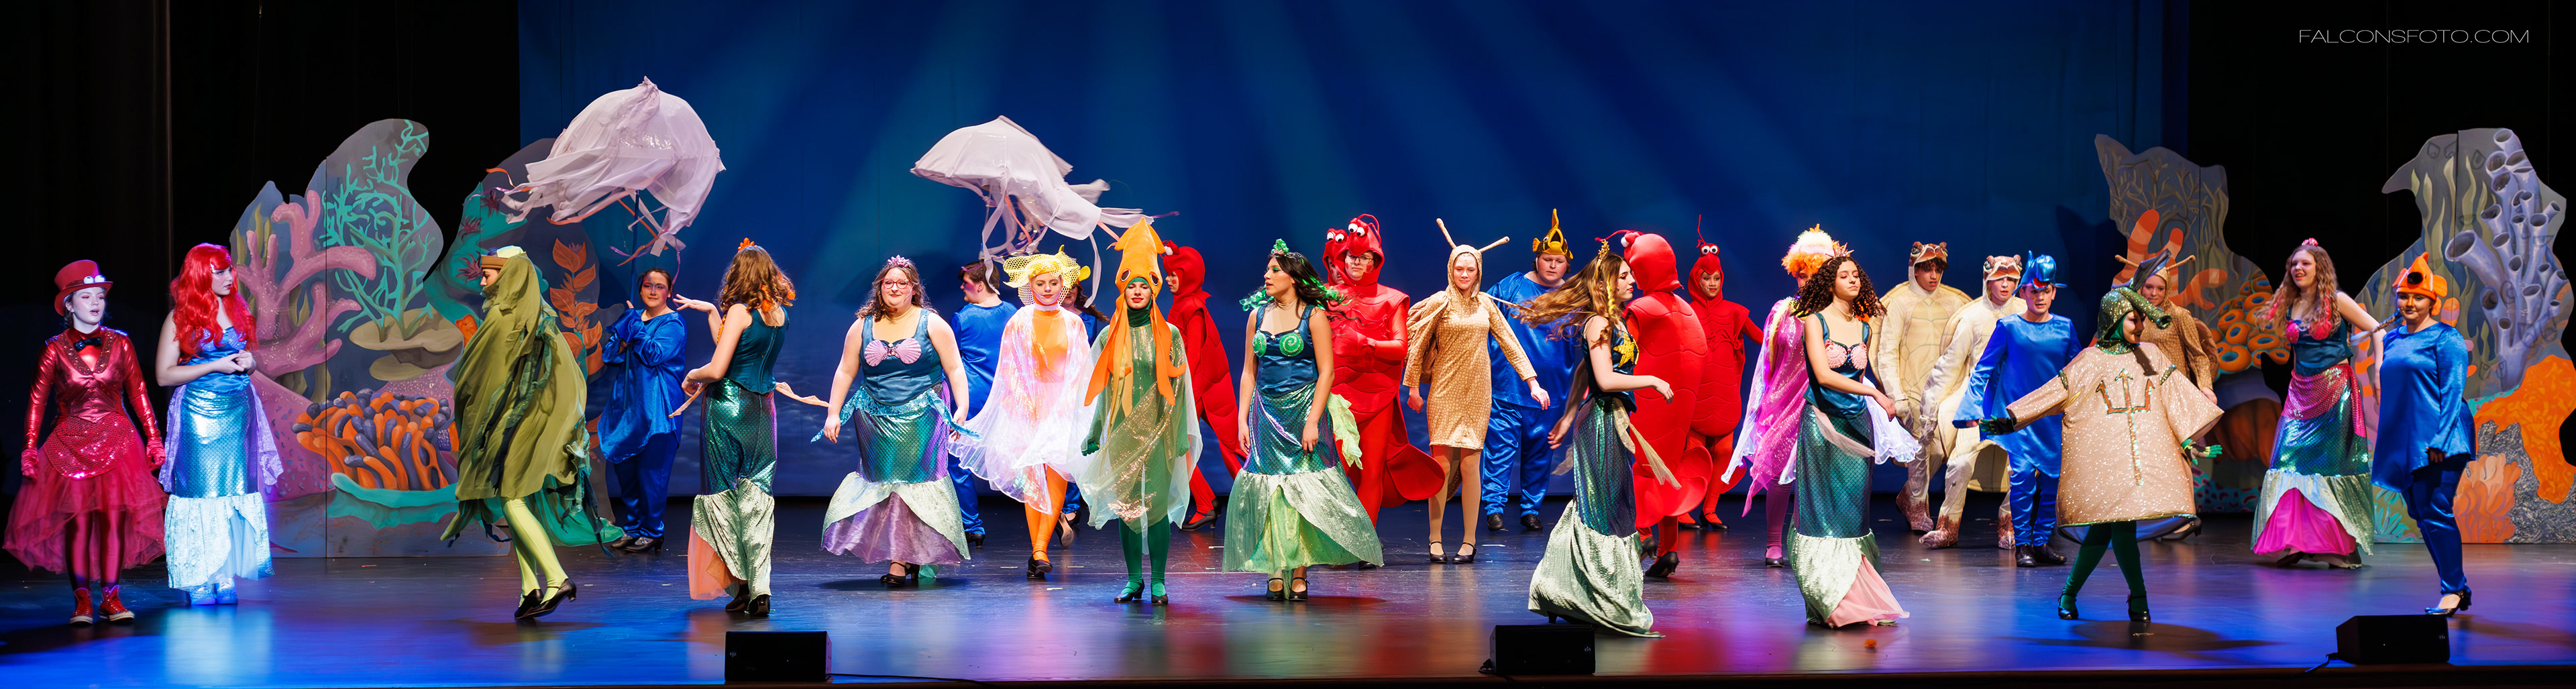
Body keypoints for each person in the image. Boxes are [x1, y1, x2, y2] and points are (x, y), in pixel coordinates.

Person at [1975, 273, 2220, 623]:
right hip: (2105, 461)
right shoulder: (2089, 361)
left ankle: (2111, 596)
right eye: (2134, 319)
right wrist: (2012, 418)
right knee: (2107, 529)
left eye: (2142, 319)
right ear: (2115, 319)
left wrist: (2190, 440)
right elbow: (2052, 393)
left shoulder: (2151, 356)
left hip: (2137, 463)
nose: (2141, 327)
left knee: (2119, 529)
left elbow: (2176, 397)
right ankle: (2107, 596)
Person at [444, 246, 617, 620]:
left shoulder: (503, 319)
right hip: (528, 427)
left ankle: (557, 578)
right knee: (516, 499)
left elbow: (478, 380)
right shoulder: (541, 318)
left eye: (488, 274)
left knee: (512, 499)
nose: (483, 282)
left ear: (508, 274)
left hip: (514, 428)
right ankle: (529, 588)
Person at [1520, 242, 1677, 637]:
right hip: (1602, 423)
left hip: (1611, 420)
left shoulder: (1615, 322)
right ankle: (1593, 595)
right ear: (1607, 283)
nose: (1631, 281)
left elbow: (1583, 374)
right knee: (1602, 511)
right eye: (1624, 276)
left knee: (1612, 508)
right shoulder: (1598, 324)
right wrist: (1652, 380)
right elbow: (1605, 380)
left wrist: (1568, 414)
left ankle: (1583, 593)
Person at [1224, 240, 1383, 601]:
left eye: (1275, 270)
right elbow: (1249, 372)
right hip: (1266, 412)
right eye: (1267, 270)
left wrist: (1313, 421)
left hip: (1303, 410)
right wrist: (1242, 418)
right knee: (1271, 491)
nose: (1267, 275)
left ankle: (1299, 570)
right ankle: (1274, 567)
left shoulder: (1314, 316)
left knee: (1302, 491)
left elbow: (1327, 372)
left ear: (1293, 278)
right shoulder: (1257, 316)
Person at [9, 260, 165, 625]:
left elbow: (139, 394)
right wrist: (29, 447)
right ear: (69, 304)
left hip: (117, 441)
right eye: (86, 296)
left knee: (113, 521)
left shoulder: (121, 342)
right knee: (78, 523)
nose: (95, 303)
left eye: (99, 296)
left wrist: (154, 439)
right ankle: (82, 600)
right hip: (69, 446)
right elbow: (37, 402)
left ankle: (111, 597)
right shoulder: (53, 349)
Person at [818, 256, 975, 588]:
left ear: (914, 289)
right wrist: (833, 412)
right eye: (888, 283)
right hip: (875, 417)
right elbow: (845, 370)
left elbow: (955, 367)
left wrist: (962, 407)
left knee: (914, 484)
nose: (894, 288)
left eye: (902, 283)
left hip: (923, 413)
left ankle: (901, 559)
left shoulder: (932, 323)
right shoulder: (862, 326)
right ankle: (904, 552)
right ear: (880, 288)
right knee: (887, 485)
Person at [1072, 220, 1202, 604]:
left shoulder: (1170, 334)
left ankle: (1158, 580)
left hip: (1159, 430)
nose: (1138, 291)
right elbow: (1106, 390)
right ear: (1123, 289)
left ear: (1154, 289)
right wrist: (1095, 430)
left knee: (1156, 506)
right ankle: (1134, 580)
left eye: (1145, 285)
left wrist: (1180, 434)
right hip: (1123, 431)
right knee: (1128, 508)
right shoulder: (1110, 335)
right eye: (1132, 286)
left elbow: (1180, 388)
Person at [1405, 222, 1546, 565]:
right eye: (1459, 268)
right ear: (1450, 269)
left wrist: (1532, 382)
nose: (1465, 274)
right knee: (1442, 467)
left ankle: (1469, 542)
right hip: (1444, 390)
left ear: (1478, 271)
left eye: (1470, 269)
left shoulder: (1486, 304)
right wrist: (1413, 388)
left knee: (1471, 468)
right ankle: (1435, 540)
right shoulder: (1440, 302)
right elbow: (1418, 345)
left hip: (1478, 392)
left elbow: (1510, 343)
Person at [1788, 254, 1913, 627]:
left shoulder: (1863, 327)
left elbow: (1859, 374)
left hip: (1857, 425)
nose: (1853, 280)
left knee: (1853, 515)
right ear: (1830, 283)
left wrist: (1875, 396)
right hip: (1822, 425)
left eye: (1856, 275)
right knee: (1823, 514)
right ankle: (1830, 600)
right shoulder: (1815, 322)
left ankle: (1857, 596)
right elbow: (1824, 375)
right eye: (1844, 275)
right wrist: (1874, 393)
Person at [953, 249, 1092, 580]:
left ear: (1062, 285)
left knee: (1056, 478)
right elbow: (1009, 368)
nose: (1048, 289)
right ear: (1030, 286)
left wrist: (1066, 407)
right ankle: (1038, 550)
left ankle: (1040, 549)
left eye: (1053, 283)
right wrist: (1025, 403)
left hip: (1061, 409)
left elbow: (1081, 370)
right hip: (1026, 409)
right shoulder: (1019, 321)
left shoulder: (1073, 323)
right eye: (1041, 283)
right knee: (1033, 482)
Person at [156, 245, 280, 606]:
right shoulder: (180, 317)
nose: (229, 277)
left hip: (238, 411)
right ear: (200, 276)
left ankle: (224, 575)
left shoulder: (238, 309)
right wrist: (213, 365)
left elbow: (246, 363)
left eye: (229, 270)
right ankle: (198, 576)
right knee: (200, 492)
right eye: (220, 272)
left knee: (232, 492)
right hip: (199, 414)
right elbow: (164, 375)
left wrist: (250, 364)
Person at [681, 242, 797, 615]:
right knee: (757, 499)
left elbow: (718, 368)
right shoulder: (778, 314)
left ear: (739, 273)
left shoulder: (740, 311)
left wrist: (692, 374)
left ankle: (742, 583)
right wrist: (712, 312)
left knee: (723, 497)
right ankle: (759, 589)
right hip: (763, 412)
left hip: (728, 408)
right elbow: (735, 345)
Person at [2253, 239, 2379, 569]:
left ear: (2319, 268)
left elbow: (2376, 330)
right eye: (2294, 264)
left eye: (2305, 263)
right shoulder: (2293, 305)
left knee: (2327, 467)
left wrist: (2378, 370)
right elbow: (2298, 353)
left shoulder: (2337, 301)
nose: (2298, 268)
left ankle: (2336, 546)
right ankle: (2297, 540)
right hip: (2300, 393)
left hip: (2334, 390)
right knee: (2288, 462)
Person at [1951, 253, 2082, 568]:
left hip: (2052, 419)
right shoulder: (2009, 327)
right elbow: (1983, 369)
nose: (2040, 297)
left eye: (2046, 290)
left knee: (2052, 480)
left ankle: (2041, 542)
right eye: (2033, 291)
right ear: (2024, 292)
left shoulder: (2065, 328)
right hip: (2016, 418)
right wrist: (1971, 408)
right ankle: (2023, 544)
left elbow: (2078, 373)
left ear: (2054, 293)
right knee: (2022, 477)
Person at [1724, 226, 1841, 568]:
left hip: (1820, 400)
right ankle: (1774, 543)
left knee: (1815, 476)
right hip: (1782, 401)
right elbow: (1767, 363)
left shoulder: (1838, 315)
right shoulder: (1783, 311)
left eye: (1814, 275)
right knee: (1778, 473)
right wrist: (1763, 404)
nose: (1806, 281)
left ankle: (1811, 541)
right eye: (1801, 275)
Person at [2371, 254, 2473, 614]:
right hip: (2408, 438)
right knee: (2421, 511)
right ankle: (2458, 587)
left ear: (2433, 302)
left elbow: (2454, 390)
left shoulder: (2446, 338)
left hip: (2441, 438)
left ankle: (2452, 590)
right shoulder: (2393, 339)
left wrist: (2441, 440)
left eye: (2418, 297)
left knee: (2435, 509)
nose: (2410, 303)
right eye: (2404, 297)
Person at [1915, 255, 2029, 548]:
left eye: (2012, 280)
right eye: (2000, 279)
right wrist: (1930, 410)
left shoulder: (2026, 314)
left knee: (2022, 466)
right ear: (1988, 281)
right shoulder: (1973, 318)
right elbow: (1949, 366)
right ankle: (1948, 526)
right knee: (1961, 462)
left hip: (2015, 402)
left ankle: (2009, 524)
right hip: (1978, 400)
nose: (2005, 285)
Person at [595, 268, 709, 553]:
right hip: (628, 409)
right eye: (648, 286)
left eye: (660, 286)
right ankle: (633, 528)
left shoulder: (673, 323)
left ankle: (652, 531)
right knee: (626, 472)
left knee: (652, 474)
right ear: (641, 289)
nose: (653, 291)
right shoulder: (633, 318)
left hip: (659, 409)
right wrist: (628, 332)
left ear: (669, 292)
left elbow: (653, 354)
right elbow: (609, 355)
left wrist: (633, 330)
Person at [1482, 213, 1580, 533]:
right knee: (1499, 451)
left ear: (1567, 264)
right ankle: (1494, 508)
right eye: (1547, 259)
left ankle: (1530, 509)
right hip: (1508, 387)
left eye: (1559, 261)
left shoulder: (1573, 298)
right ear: (1537, 259)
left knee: (1540, 454)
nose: (1552, 265)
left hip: (1551, 392)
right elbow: (1483, 317)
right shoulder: (1511, 286)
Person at [1617, 230, 1707, 578]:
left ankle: (1643, 535)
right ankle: (1669, 551)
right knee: (1668, 471)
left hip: (1649, 403)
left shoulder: (1641, 310)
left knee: (1642, 469)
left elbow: (1622, 356)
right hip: (1681, 406)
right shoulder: (1689, 311)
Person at [1324, 215, 1417, 531]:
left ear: (1375, 261)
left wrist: (1366, 342)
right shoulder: (1325, 297)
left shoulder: (1392, 299)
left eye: (1364, 257)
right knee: (1333, 472)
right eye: (1351, 256)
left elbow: (1401, 346)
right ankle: (1335, 539)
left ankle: (1365, 541)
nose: (1356, 262)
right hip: (1336, 397)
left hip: (1377, 397)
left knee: (1372, 472)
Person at [1873, 242, 1971, 533]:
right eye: (1926, 268)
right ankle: (1916, 505)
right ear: (1914, 269)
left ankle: (1908, 497)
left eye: (1938, 269)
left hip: (1944, 389)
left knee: (1940, 449)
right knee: (1922, 448)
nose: (1933, 275)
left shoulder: (1955, 303)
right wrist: (1897, 395)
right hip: (1911, 389)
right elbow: (1887, 352)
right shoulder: (1899, 302)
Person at [1163, 241, 1246, 531]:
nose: (1169, 280)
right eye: (1168, 274)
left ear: (1189, 275)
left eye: (1175, 275)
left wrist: (1187, 395)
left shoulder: (1192, 306)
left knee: (1227, 446)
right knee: (1184, 445)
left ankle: (1249, 501)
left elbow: (1195, 356)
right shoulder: (1183, 304)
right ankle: (1206, 502)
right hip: (1196, 385)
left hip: (1203, 386)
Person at [1685, 237, 1761, 531]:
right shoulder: (1686, 311)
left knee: (1723, 453)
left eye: (1717, 278)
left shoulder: (1735, 312)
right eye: (1707, 278)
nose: (1713, 283)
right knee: (1692, 455)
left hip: (1726, 395)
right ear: (1697, 279)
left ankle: (1710, 509)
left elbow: (1763, 338)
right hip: (1696, 394)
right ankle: (1683, 509)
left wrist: (1795, 330)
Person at [947, 260, 1016, 547]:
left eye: (965, 283)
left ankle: (972, 525)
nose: (962, 287)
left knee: (958, 461)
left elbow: (950, 362)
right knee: (1020, 458)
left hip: (971, 398)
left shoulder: (963, 318)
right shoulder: (1013, 314)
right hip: (1006, 397)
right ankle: (1054, 513)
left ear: (979, 285)